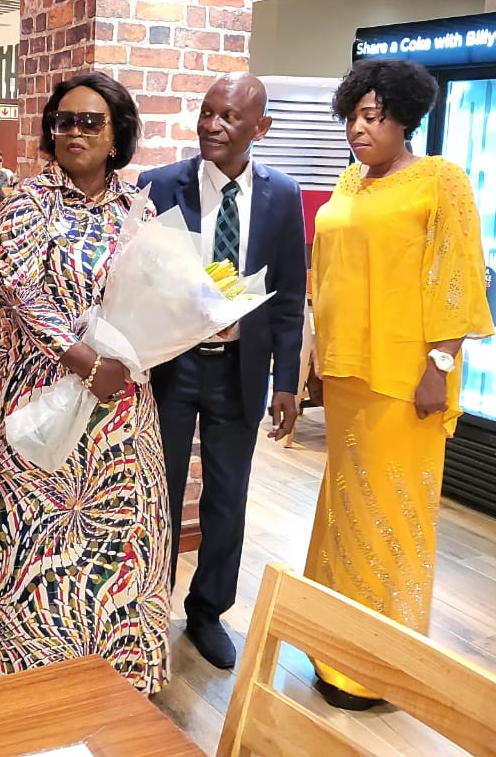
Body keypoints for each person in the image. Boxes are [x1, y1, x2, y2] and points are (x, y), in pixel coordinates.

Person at [304, 58, 494, 710]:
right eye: (352, 117)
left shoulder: (440, 180)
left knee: (390, 515)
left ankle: (377, 666)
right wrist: (316, 355)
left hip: (404, 377)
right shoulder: (348, 181)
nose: (358, 129)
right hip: (348, 373)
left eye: (373, 116)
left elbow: (458, 277)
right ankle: (332, 644)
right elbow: (328, 272)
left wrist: (439, 367)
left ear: (404, 119)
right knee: (344, 510)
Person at [0, 72, 169, 694]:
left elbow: (157, 290)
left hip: (119, 408)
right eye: (63, 121)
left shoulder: (137, 207)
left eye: (90, 122)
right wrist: (86, 361)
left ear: (117, 135)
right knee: (39, 540)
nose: (74, 132)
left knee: (121, 534)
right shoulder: (26, 203)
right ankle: (39, 689)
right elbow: (21, 291)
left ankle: (119, 688)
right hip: (41, 400)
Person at [139, 73, 306, 670]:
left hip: (240, 369)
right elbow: (138, 279)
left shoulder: (282, 195)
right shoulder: (159, 186)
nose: (211, 125)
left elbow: (289, 295)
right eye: (207, 112)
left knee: (228, 498)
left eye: (228, 117)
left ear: (261, 127)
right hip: (172, 366)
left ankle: (208, 611)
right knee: (156, 494)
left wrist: (286, 381)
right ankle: (146, 609)